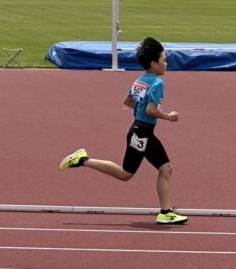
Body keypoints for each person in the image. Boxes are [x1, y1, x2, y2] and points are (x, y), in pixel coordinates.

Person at [58, 37, 187, 225]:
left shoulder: (140, 81)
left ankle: (165, 212)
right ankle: (82, 160)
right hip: (142, 133)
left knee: (165, 168)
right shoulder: (158, 83)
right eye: (164, 60)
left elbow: (127, 101)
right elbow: (151, 110)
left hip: (141, 131)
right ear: (153, 63)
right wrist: (169, 116)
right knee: (126, 174)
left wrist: (141, 110)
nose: (166, 64)